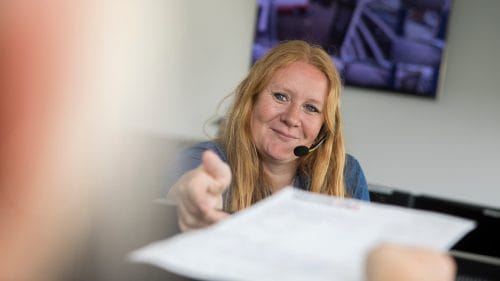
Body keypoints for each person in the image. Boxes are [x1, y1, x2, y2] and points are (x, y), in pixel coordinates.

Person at [167, 40, 370, 232]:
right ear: (251, 100)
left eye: (311, 108)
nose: (292, 118)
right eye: (280, 97)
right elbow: (189, 189)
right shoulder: (204, 161)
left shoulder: (346, 175)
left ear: (323, 128)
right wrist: (200, 199)